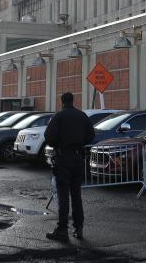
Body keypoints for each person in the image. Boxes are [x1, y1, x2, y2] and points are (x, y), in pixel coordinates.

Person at [44, 92, 95, 241]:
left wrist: (58, 144)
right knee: (76, 194)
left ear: (62, 102)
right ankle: (79, 228)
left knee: (63, 195)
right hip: (78, 158)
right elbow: (91, 135)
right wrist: (80, 142)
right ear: (73, 101)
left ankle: (62, 229)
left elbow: (49, 136)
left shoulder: (59, 116)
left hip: (63, 158)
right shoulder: (82, 116)